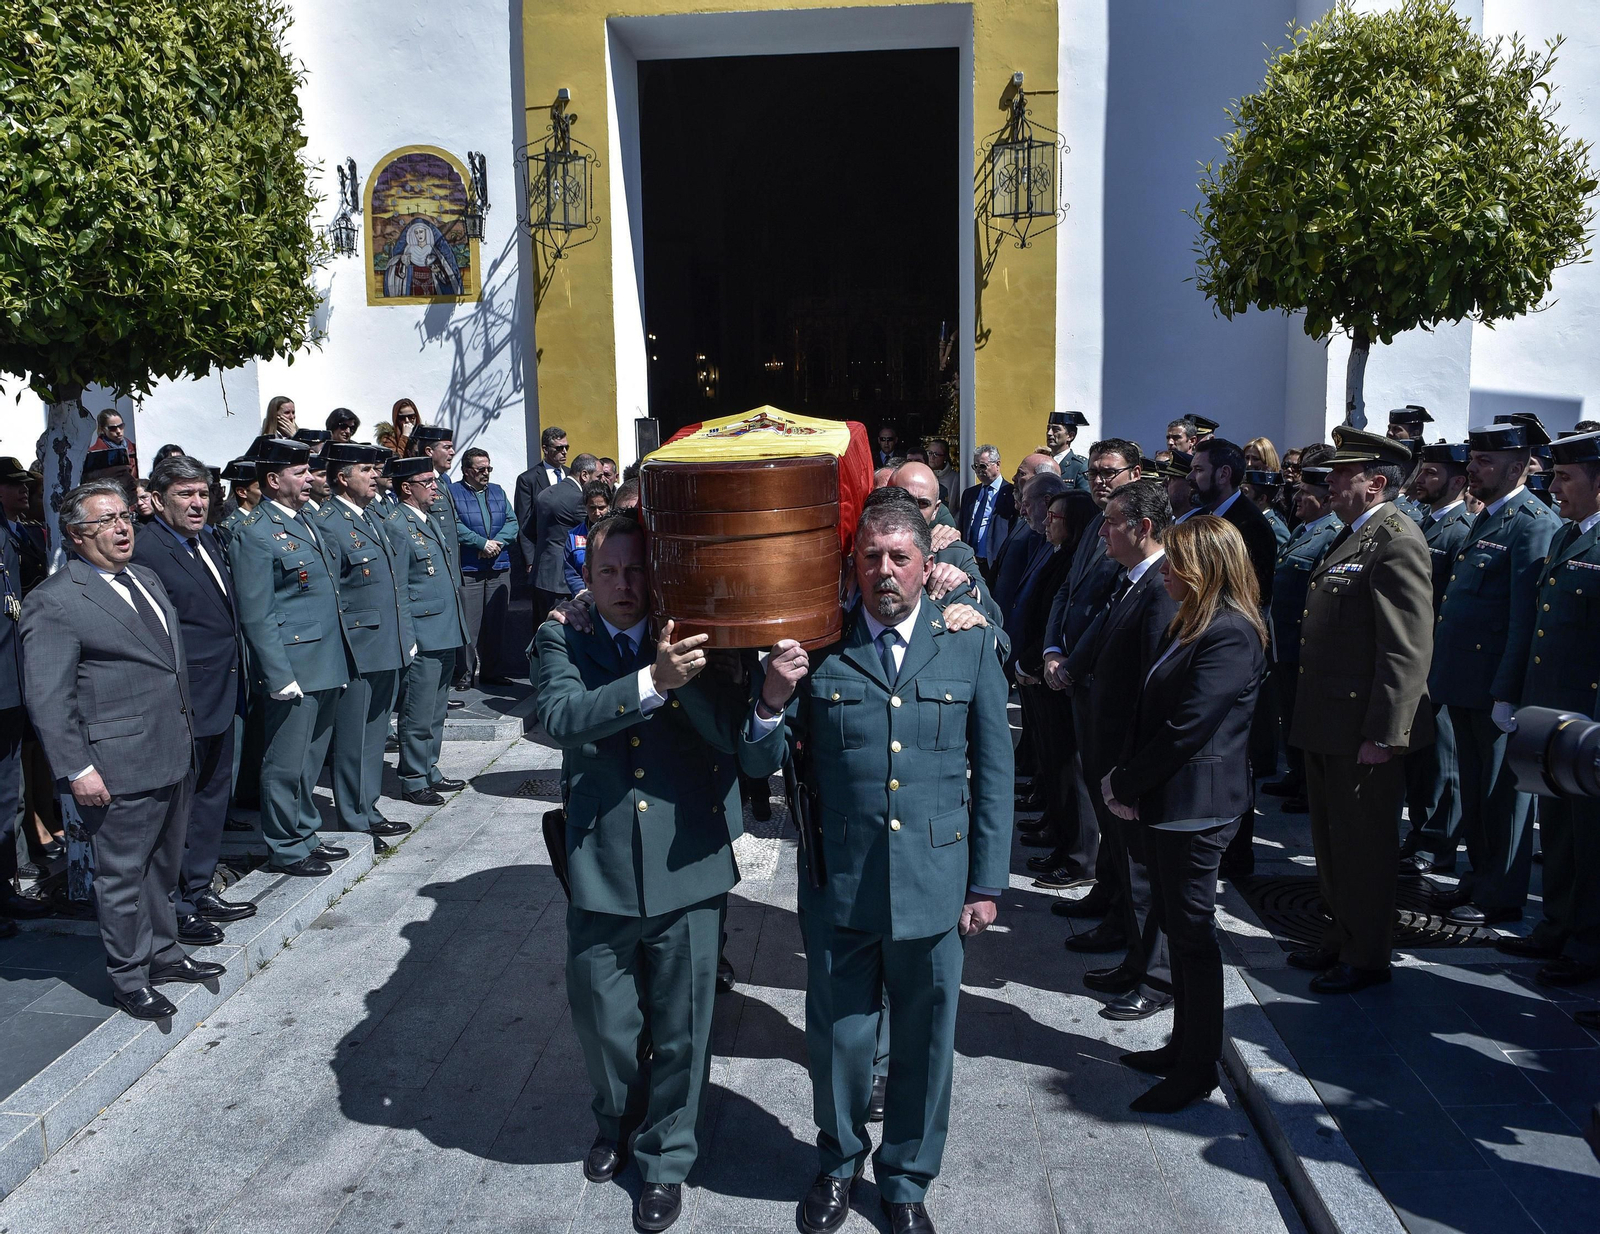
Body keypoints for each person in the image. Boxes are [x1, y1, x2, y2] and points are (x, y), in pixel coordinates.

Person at [743, 489, 1011, 1234]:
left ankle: (905, 1181)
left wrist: (988, 882)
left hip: (934, 883)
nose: (884, 572)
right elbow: (756, 755)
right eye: (871, 558)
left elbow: (993, 770)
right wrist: (770, 695)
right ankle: (836, 1164)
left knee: (925, 1041)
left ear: (930, 568)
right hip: (842, 883)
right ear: (852, 566)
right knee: (839, 1038)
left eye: (900, 558)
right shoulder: (816, 645)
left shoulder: (967, 640)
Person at [535, 511, 752, 1234]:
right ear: (587, 578)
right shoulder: (562, 635)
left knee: (684, 1025)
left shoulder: (699, 635)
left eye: (635, 572)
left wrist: (681, 673)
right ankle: (617, 1117)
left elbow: (733, 735)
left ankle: (665, 1159)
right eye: (607, 573)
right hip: (600, 859)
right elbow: (561, 718)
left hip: (686, 859)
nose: (623, 586)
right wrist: (651, 681)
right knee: (603, 1019)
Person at [21, 481, 225, 1019]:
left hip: (172, 750)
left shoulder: (147, 578)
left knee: (163, 864)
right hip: (116, 765)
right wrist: (78, 768)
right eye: (105, 521)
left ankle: (163, 952)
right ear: (74, 535)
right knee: (123, 876)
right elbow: (48, 698)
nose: (121, 528)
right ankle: (129, 976)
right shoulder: (55, 601)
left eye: (125, 518)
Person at [1101, 515, 1266, 1112]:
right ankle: (1183, 1047)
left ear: (1205, 569)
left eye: (1176, 563)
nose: (1164, 570)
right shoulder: (1195, 623)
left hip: (1196, 810)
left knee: (1194, 938)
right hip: (1170, 806)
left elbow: (1188, 728)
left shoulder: (1231, 634)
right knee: (1176, 926)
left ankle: (1198, 1067)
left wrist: (1126, 780)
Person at [1288, 427, 1435, 994]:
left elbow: (1405, 648)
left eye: (1342, 474)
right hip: (1330, 722)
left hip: (1362, 729)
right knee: (1331, 843)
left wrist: (1387, 733)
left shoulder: (1397, 538)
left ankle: (1367, 954)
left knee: (1364, 847)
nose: (1329, 482)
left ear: (1375, 484)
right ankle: (1341, 933)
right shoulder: (1353, 534)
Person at [1430, 418, 1560, 927]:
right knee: (1476, 790)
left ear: (1516, 466)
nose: (1473, 469)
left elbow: (1522, 618)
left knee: (1501, 797)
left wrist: (1507, 692)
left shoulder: (1533, 523)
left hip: (1495, 689)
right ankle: (1479, 879)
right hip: (1464, 682)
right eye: (1473, 460)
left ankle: (1502, 895)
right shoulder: (1487, 517)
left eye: (1484, 461)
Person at [1064, 479, 1180, 1021]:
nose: (1103, 531)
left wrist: (1131, 773)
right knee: (1125, 867)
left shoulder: (1160, 588)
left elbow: (1152, 691)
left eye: (1113, 522)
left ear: (1145, 528)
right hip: (1107, 750)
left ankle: (1156, 978)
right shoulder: (1130, 578)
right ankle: (1136, 958)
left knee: (1141, 875)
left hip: (1127, 762)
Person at [131, 455, 255, 946]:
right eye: (185, 494)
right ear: (159, 500)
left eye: (202, 493)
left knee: (210, 798)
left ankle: (200, 888)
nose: (198, 503)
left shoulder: (208, 539)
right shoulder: (148, 551)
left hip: (223, 690)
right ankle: (176, 906)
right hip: (184, 699)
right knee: (180, 808)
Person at [1496, 429, 1600, 985]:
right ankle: (1557, 925)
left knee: (1590, 839)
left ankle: (1586, 943)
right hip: (1553, 719)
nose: (1552, 485)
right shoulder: (1568, 537)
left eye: (1565, 477)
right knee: (1557, 828)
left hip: (1588, 724)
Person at [227, 436, 355, 877]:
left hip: (325, 657)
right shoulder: (254, 532)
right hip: (293, 665)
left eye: (309, 471)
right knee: (284, 761)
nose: (309, 479)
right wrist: (277, 674)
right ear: (273, 479)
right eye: (300, 473)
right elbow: (256, 612)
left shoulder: (305, 520)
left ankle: (306, 833)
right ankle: (285, 845)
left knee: (310, 758)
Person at [1038, 440, 1143, 905]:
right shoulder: (1097, 525)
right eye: (1096, 472)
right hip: (1075, 673)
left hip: (1105, 681)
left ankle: (1120, 900)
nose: (1100, 480)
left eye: (1110, 473)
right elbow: (1067, 593)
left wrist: (1073, 663)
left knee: (1111, 794)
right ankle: (1106, 887)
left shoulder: (1140, 532)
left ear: (1134, 475)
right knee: (1094, 789)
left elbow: (1112, 612)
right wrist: (1053, 649)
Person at [314, 444, 415, 850]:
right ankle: (354, 817)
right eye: (365, 469)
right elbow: (332, 593)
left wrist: (405, 635)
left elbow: (394, 583)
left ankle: (369, 807)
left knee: (374, 733)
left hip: (385, 640)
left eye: (375, 469)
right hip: (357, 644)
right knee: (354, 735)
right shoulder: (329, 523)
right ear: (342, 477)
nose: (375, 475)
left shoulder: (371, 515)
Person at [1188, 437, 1278, 875]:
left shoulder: (1249, 526)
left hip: (1232, 652)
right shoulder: (1206, 518)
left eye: (1200, 470)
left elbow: (1248, 600)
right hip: (1206, 644)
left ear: (1225, 474)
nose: (1192, 477)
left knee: (1233, 755)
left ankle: (1236, 853)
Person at [1398, 443, 1475, 874]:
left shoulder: (1461, 530)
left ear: (1457, 482)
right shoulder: (1425, 524)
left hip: (1440, 658)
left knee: (1444, 759)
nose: (1420, 480)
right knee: (1424, 757)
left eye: (1430, 473)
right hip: (1421, 656)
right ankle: (1422, 832)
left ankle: (1438, 842)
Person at [384, 457, 470, 806]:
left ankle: (430, 767)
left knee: (436, 709)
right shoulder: (397, 525)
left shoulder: (427, 519)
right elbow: (399, 588)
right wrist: (409, 638)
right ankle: (414, 777)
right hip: (423, 630)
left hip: (445, 627)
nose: (436, 487)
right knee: (418, 710)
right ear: (407, 487)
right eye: (428, 482)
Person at [1261, 451, 1341, 813]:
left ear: (1325, 499)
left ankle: (1310, 786)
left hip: (1302, 641)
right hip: (1283, 639)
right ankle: (1296, 773)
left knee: (1306, 715)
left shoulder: (1332, 534)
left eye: (1305, 493)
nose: (1296, 498)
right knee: (1290, 710)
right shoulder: (1302, 530)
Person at [449, 447, 519, 687]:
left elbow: (512, 522)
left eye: (489, 468)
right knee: (469, 626)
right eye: (481, 469)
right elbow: (453, 525)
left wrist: (495, 544)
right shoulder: (452, 493)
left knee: (496, 623)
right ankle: (464, 674)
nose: (486, 473)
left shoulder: (498, 492)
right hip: (470, 569)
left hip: (498, 566)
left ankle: (493, 671)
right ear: (467, 471)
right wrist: (480, 543)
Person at [535, 453, 599, 618]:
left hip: (541, 573)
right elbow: (596, 529)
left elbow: (529, 529)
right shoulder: (580, 500)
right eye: (598, 477)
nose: (601, 482)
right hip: (565, 580)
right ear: (584, 475)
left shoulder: (545, 493)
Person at [514, 425, 571, 592]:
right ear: (545, 449)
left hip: (571, 550)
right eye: (559, 448)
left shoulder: (571, 474)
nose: (564, 452)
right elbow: (524, 522)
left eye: (566, 447)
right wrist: (530, 560)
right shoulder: (528, 479)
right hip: (545, 554)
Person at [957, 444, 1010, 582]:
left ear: (997, 464)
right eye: (975, 467)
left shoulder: (1010, 493)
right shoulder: (969, 494)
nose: (978, 471)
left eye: (982, 466)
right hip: (971, 563)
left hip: (995, 563)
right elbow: (962, 526)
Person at [564, 480, 610, 595]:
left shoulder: (619, 534)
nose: (597, 513)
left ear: (609, 506)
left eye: (601, 507)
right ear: (585, 507)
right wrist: (581, 592)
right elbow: (570, 571)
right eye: (592, 508)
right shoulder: (574, 536)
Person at [1241, 469, 1290, 548]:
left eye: (1245, 492)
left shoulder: (1276, 529)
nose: (1241, 497)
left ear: (1261, 499)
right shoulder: (1249, 520)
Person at [1046, 411, 1092, 492]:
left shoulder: (1079, 466)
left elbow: (1084, 500)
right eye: (1048, 429)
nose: (1049, 433)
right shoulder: (1042, 461)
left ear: (1070, 436)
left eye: (1056, 430)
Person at [925, 438, 959, 510]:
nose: (932, 457)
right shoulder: (921, 475)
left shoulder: (955, 478)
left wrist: (950, 521)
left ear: (945, 457)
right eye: (930, 453)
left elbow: (960, 508)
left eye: (936, 454)